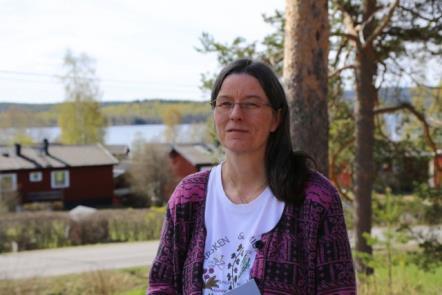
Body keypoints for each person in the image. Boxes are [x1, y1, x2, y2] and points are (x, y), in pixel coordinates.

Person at [148, 58, 356, 294]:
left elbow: (339, 290)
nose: (236, 114)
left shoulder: (315, 199)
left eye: (251, 104)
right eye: (225, 103)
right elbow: (161, 285)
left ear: (276, 119)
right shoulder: (189, 197)